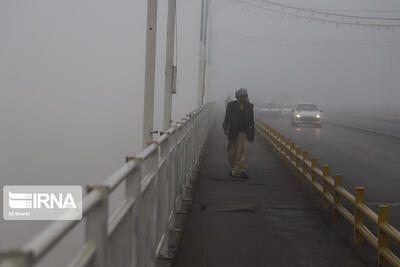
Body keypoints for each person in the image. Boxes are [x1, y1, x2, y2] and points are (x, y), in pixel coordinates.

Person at [222, 88, 255, 179]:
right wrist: (225, 129)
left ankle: (239, 170)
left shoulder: (250, 106)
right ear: (237, 97)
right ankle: (234, 168)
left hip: (245, 133)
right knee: (232, 153)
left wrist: (252, 134)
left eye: (244, 96)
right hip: (233, 133)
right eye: (241, 96)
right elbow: (226, 120)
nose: (243, 98)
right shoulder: (231, 105)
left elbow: (251, 121)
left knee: (244, 153)